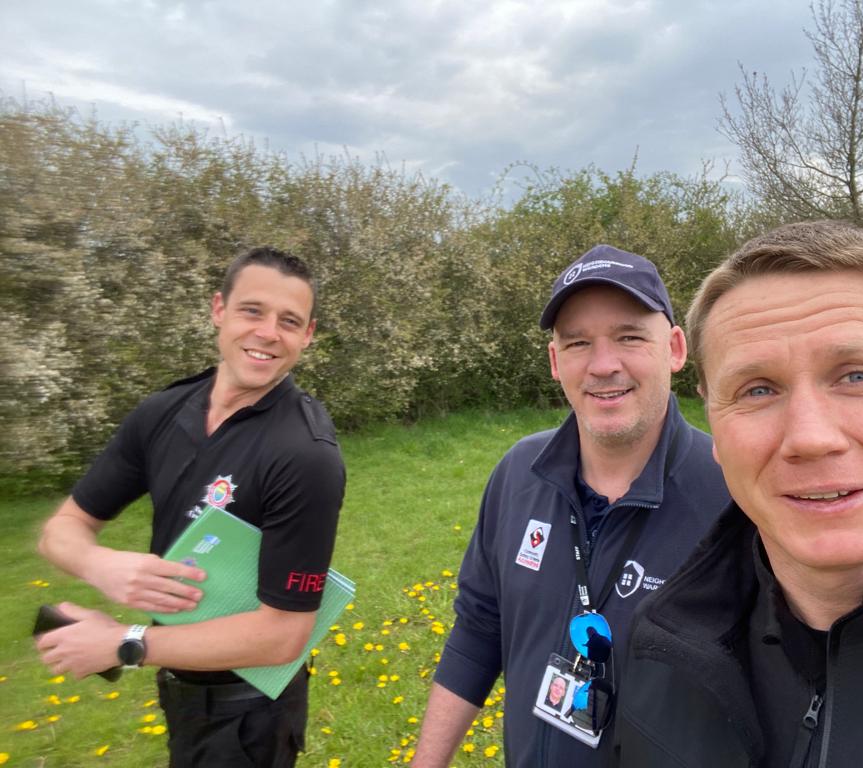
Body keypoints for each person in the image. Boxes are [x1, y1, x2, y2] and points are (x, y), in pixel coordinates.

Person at [614, 221, 863, 767]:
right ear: (714, 426)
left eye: (857, 376)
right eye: (757, 389)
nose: (810, 437)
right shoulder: (661, 647)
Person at [411, 244, 730, 767]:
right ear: (556, 362)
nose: (604, 365)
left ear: (674, 348)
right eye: (579, 343)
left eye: (629, 337)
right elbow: (478, 629)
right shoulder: (518, 473)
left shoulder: (732, 496)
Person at [34, 246, 345, 768]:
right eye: (253, 310)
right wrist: (98, 564)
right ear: (218, 309)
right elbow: (61, 529)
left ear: (307, 336)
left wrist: (123, 642)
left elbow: (282, 636)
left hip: (250, 711)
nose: (268, 332)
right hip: (180, 688)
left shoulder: (305, 454)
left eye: (289, 321)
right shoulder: (162, 412)